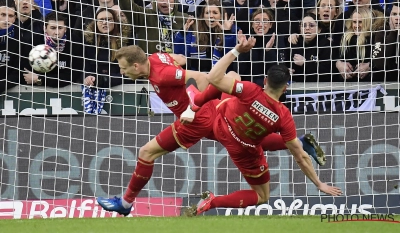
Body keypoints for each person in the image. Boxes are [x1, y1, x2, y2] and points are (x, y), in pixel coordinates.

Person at [96, 45, 327, 216]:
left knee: (146, 153)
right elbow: (181, 58)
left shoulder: (161, 74)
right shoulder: (157, 58)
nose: (122, 72)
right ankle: (299, 142)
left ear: (136, 65)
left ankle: (125, 204)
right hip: (212, 111)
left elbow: (200, 77)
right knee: (241, 129)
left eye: (123, 68)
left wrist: (193, 105)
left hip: (195, 121)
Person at [191, 34, 342, 215]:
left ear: (265, 80)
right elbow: (300, 157)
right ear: (285, 88)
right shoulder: (283, 116)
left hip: (220, 121)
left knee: (231, 74)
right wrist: (319, 184)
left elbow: (214, 77)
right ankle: (213, 201)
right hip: (242, 147)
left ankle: (195, 102)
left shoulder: (249, 90)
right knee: (262, 195)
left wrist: (237, 50)